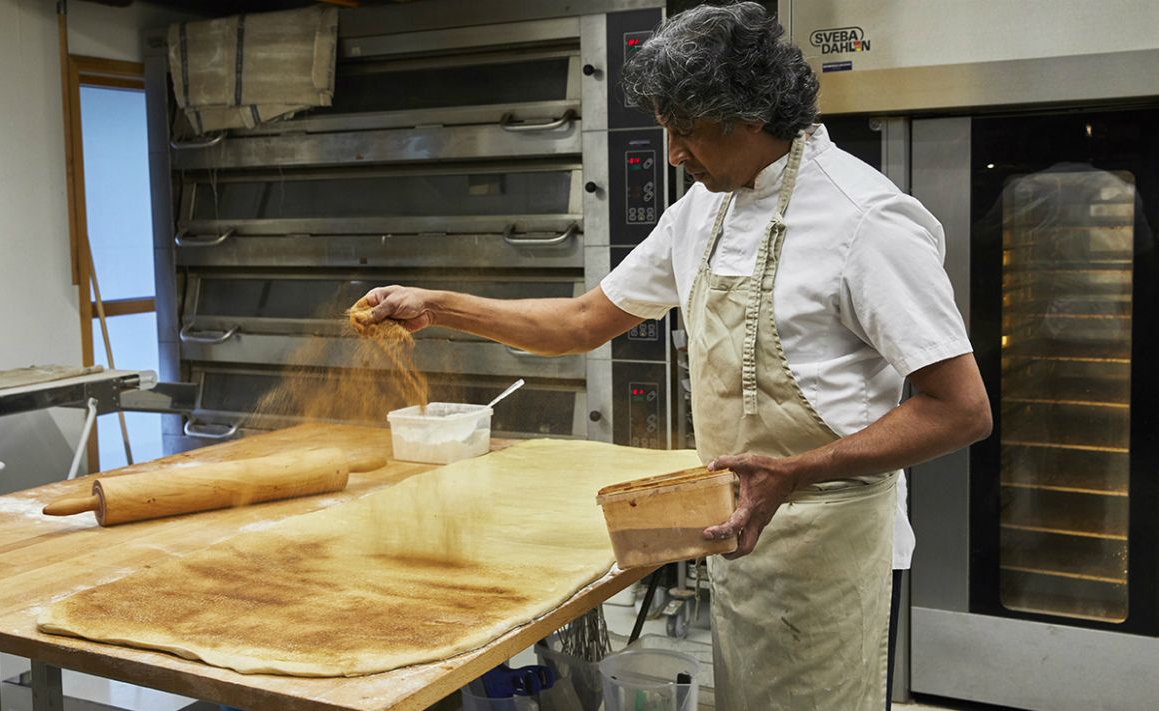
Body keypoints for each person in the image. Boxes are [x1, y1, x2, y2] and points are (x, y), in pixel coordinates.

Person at [357, 3, 991, 709]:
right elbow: (582, 321)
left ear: (750, 115)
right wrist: (439, 306)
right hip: (740, 531)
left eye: (685, 131)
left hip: (830, 541)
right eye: (666, 129)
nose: (673, 155)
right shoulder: (702, 211)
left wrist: (795, 472)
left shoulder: (866, 221)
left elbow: (960, 409)